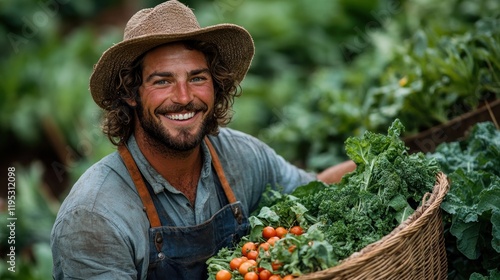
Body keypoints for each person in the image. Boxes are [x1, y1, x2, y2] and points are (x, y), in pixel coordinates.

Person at [50, 1, 356, 279]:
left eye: (197, 78)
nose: (184, 98)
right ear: (131, 93)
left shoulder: (243, 156)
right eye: (163, 81)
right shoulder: (93, 218)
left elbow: (314, 193)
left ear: (216, 86)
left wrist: (377, 165)